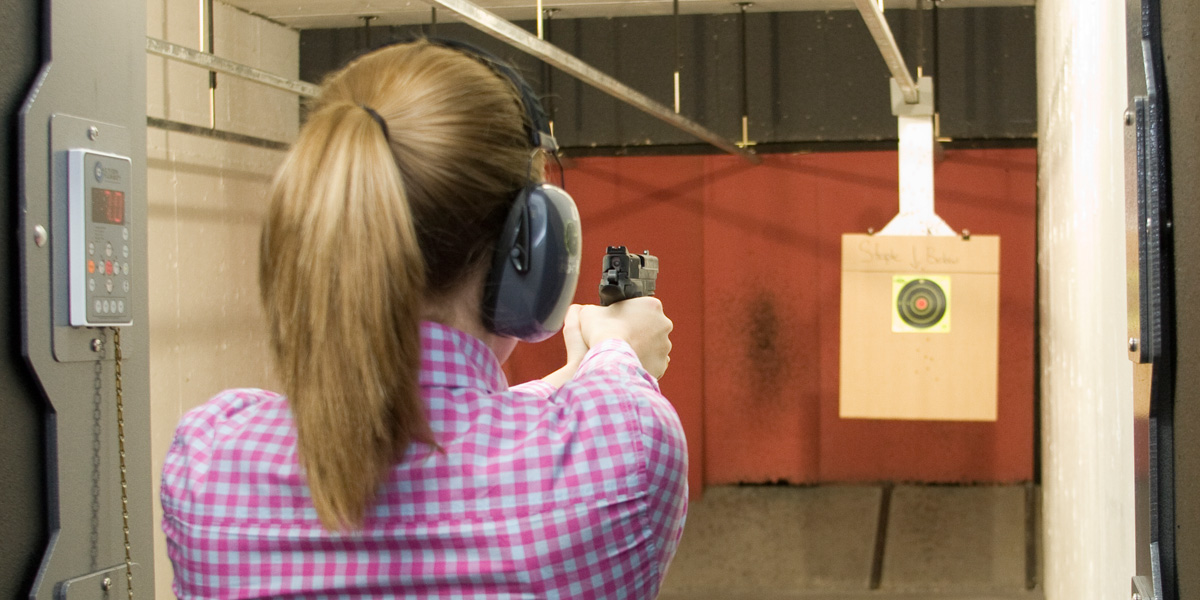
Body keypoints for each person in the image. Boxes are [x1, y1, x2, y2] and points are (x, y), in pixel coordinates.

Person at [160, 39, 687, 599]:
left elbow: (445, 427)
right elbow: (586, 428)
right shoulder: (627, 449)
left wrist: (576, 374)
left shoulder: (209, 462)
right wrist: (618, 350)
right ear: (530, 258)